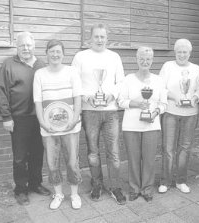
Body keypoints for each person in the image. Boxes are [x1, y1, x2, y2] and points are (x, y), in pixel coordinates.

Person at [71, 24, 126, 205]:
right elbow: (75, 82)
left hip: (110, 112)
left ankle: (115, 186)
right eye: (96, 36)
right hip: (90, 111)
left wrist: (113, 94)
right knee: (93, 152)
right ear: (90, 38)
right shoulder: (81, 57)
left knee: (114, 153)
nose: (100, 40)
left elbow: (121, 82)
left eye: (103, 37)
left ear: (107, 38)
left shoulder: (114, 57)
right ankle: (97, 184)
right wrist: (86, 97)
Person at [0, 31, 51, 205]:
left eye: (28, 45)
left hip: (39, 118)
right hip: (18, 119)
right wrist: (6, 117)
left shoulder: (41, 64)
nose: (26, 48)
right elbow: (1, 91)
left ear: (34, 46)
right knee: (20, 157)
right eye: (22, 45)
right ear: (16, 46)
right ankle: (20, 189)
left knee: (37, 153)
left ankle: (36, 184)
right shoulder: (8, 65)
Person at [33, 39, 82, 210]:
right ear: (46, 53)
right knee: (53, 163)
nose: (55, 54)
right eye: (52, 51)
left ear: (63, 54)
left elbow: (77, 98)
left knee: (72, 162)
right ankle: (59, 193)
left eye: (58, 52)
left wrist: (75, 118)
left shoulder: (72, 71)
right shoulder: (39, 74)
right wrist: (42, 123)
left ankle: (74, 194)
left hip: (71, 127)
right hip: (49, 128)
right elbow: (38, 102)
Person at [118, 46, 167, 202]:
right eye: (141, 58)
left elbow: (163, 103)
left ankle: (146, 189)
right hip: (131, 126)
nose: (145, 62)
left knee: (149, 159)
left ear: (152, 61)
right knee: (133, 158)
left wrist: (155, 112)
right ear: (136, 60)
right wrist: (136, 104)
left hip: (151, 125)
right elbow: (121, 102)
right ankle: (134, 188)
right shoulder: (128, 79)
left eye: (148, 59)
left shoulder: (158, 80)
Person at [158, 39, 199, 194]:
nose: (182, 55)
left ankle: (181, 181)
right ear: (175, 52)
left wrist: (195, 98)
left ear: (190, 53)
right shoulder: (167, 66)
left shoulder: (197, 69)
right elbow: (160, 88)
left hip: (190, 114)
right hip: (170, 112)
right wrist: (174, 97)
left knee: (184, 148)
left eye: (185, 52)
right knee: (168, 148)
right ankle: (165, 180)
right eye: (179, 52)